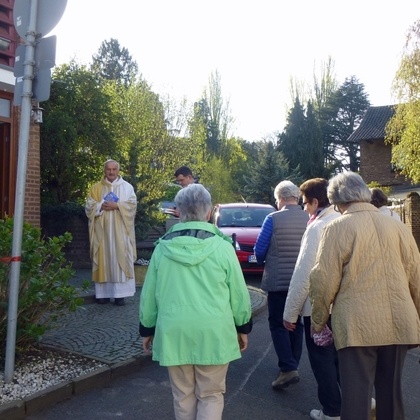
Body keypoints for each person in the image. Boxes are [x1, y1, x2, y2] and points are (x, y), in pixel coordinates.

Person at [309, 171, 420, 420]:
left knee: (356, 399)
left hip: (356, 326)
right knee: (391, 397)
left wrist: (318, 321)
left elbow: (323, 280)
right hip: (399, 321)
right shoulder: (397, 226)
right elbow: (416, 275)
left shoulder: (336, 227)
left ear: (337, 201)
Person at [139, 183, 253, 420]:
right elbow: (239, 293)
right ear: (209, 212)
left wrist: (147, 329)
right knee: (211, 394)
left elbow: (149, 295)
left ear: (179, 212)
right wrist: (243, 327)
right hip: (214, 331)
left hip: (174, 331)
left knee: (182, 396)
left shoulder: (162, 249)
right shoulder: (223, 247)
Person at [283, 178, 341, 420]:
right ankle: (361, 400)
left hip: (318, 307)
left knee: (322, 361)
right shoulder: (343, 220)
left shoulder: (317, 227)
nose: (304, 208)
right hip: (343, 305)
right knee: (344, 360)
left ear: (316, 202)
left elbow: (304, 273)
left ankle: (332, 411)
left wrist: (290, 312)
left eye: (305, 203)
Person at [254, 180, 308, 389]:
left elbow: (259, 250)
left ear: (282, 198)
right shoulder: (309, 218)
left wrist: (263, 260)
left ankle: (287, 367)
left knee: (278, 324)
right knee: (296, 323)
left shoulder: (272, 219)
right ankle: (293, 363)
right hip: (301, 282)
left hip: (277, 281)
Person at [85, 159, 137, 306]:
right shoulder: (96, 188)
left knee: (120, 260)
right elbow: (89, 206)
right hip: (102, 234)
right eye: (109, 169)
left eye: (114, 169)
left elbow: (132, 206)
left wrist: (117, 205)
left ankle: (120, 295)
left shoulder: (127, 187)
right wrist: (100, 205)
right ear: (105, 170)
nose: (111, 172)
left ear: (118, 170)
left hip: (121, 233)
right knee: (104, 260)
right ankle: (103, 295)